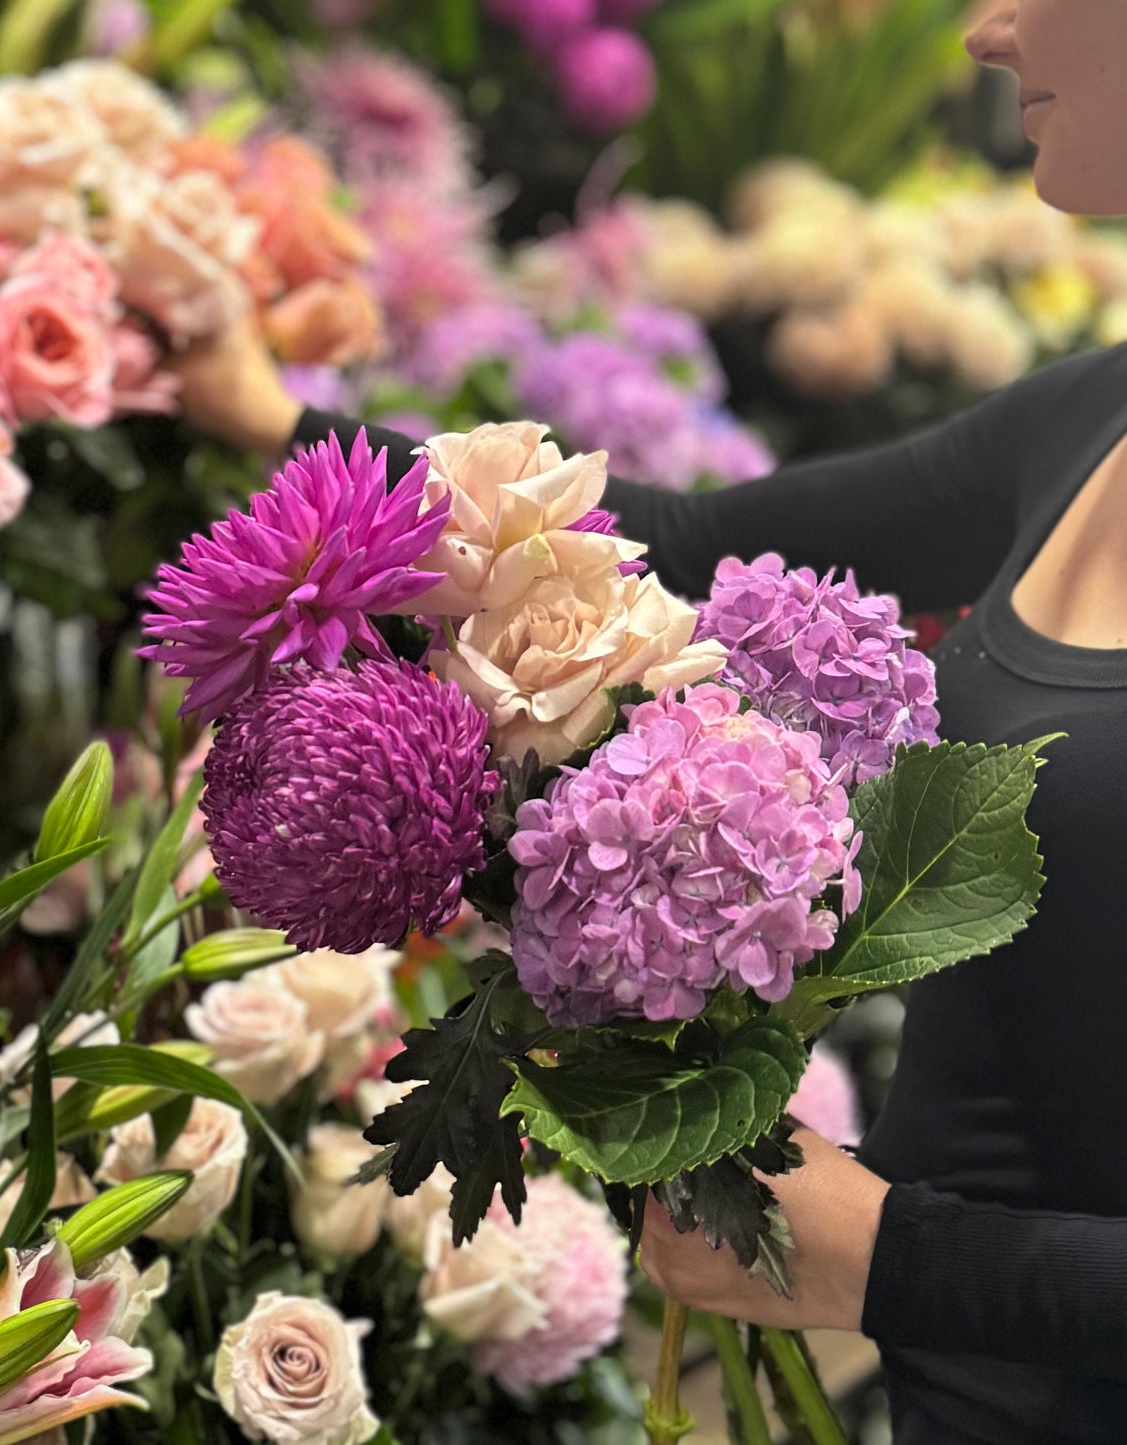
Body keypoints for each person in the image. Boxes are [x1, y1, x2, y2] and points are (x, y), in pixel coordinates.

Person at [167, 3, 1127, 1439]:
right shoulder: (1086, 421)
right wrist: (277, 420)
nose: (987, 31)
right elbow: (673, 537)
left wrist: (894, 1258)